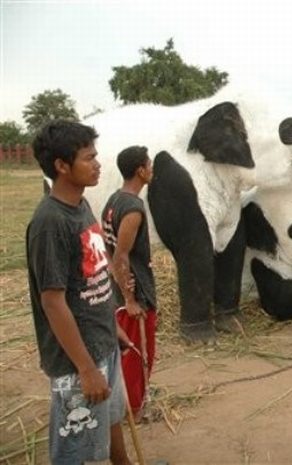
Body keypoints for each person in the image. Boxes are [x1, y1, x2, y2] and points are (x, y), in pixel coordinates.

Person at [26, 120, 132, 464]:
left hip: (101, 340)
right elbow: (53, 303)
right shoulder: (50, 223)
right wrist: (85, 369)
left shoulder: (82, 206)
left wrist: (110, 324)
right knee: (74, 446)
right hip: (77, 359)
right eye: (89, 158)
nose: (98, 163)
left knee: (112, 414)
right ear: (61, 166)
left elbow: (94, 275)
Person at [101, 146, 157, 420]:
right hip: (134, 295)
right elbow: (121, 255)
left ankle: (128, 404)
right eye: (150, 164)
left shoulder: (113, 200)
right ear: (140, 170)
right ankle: (134, 410)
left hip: (118, 292)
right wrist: (130, 299)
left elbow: (108, 249)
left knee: (127, 355)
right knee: (138, 354)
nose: (152, 169)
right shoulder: (134, 208)